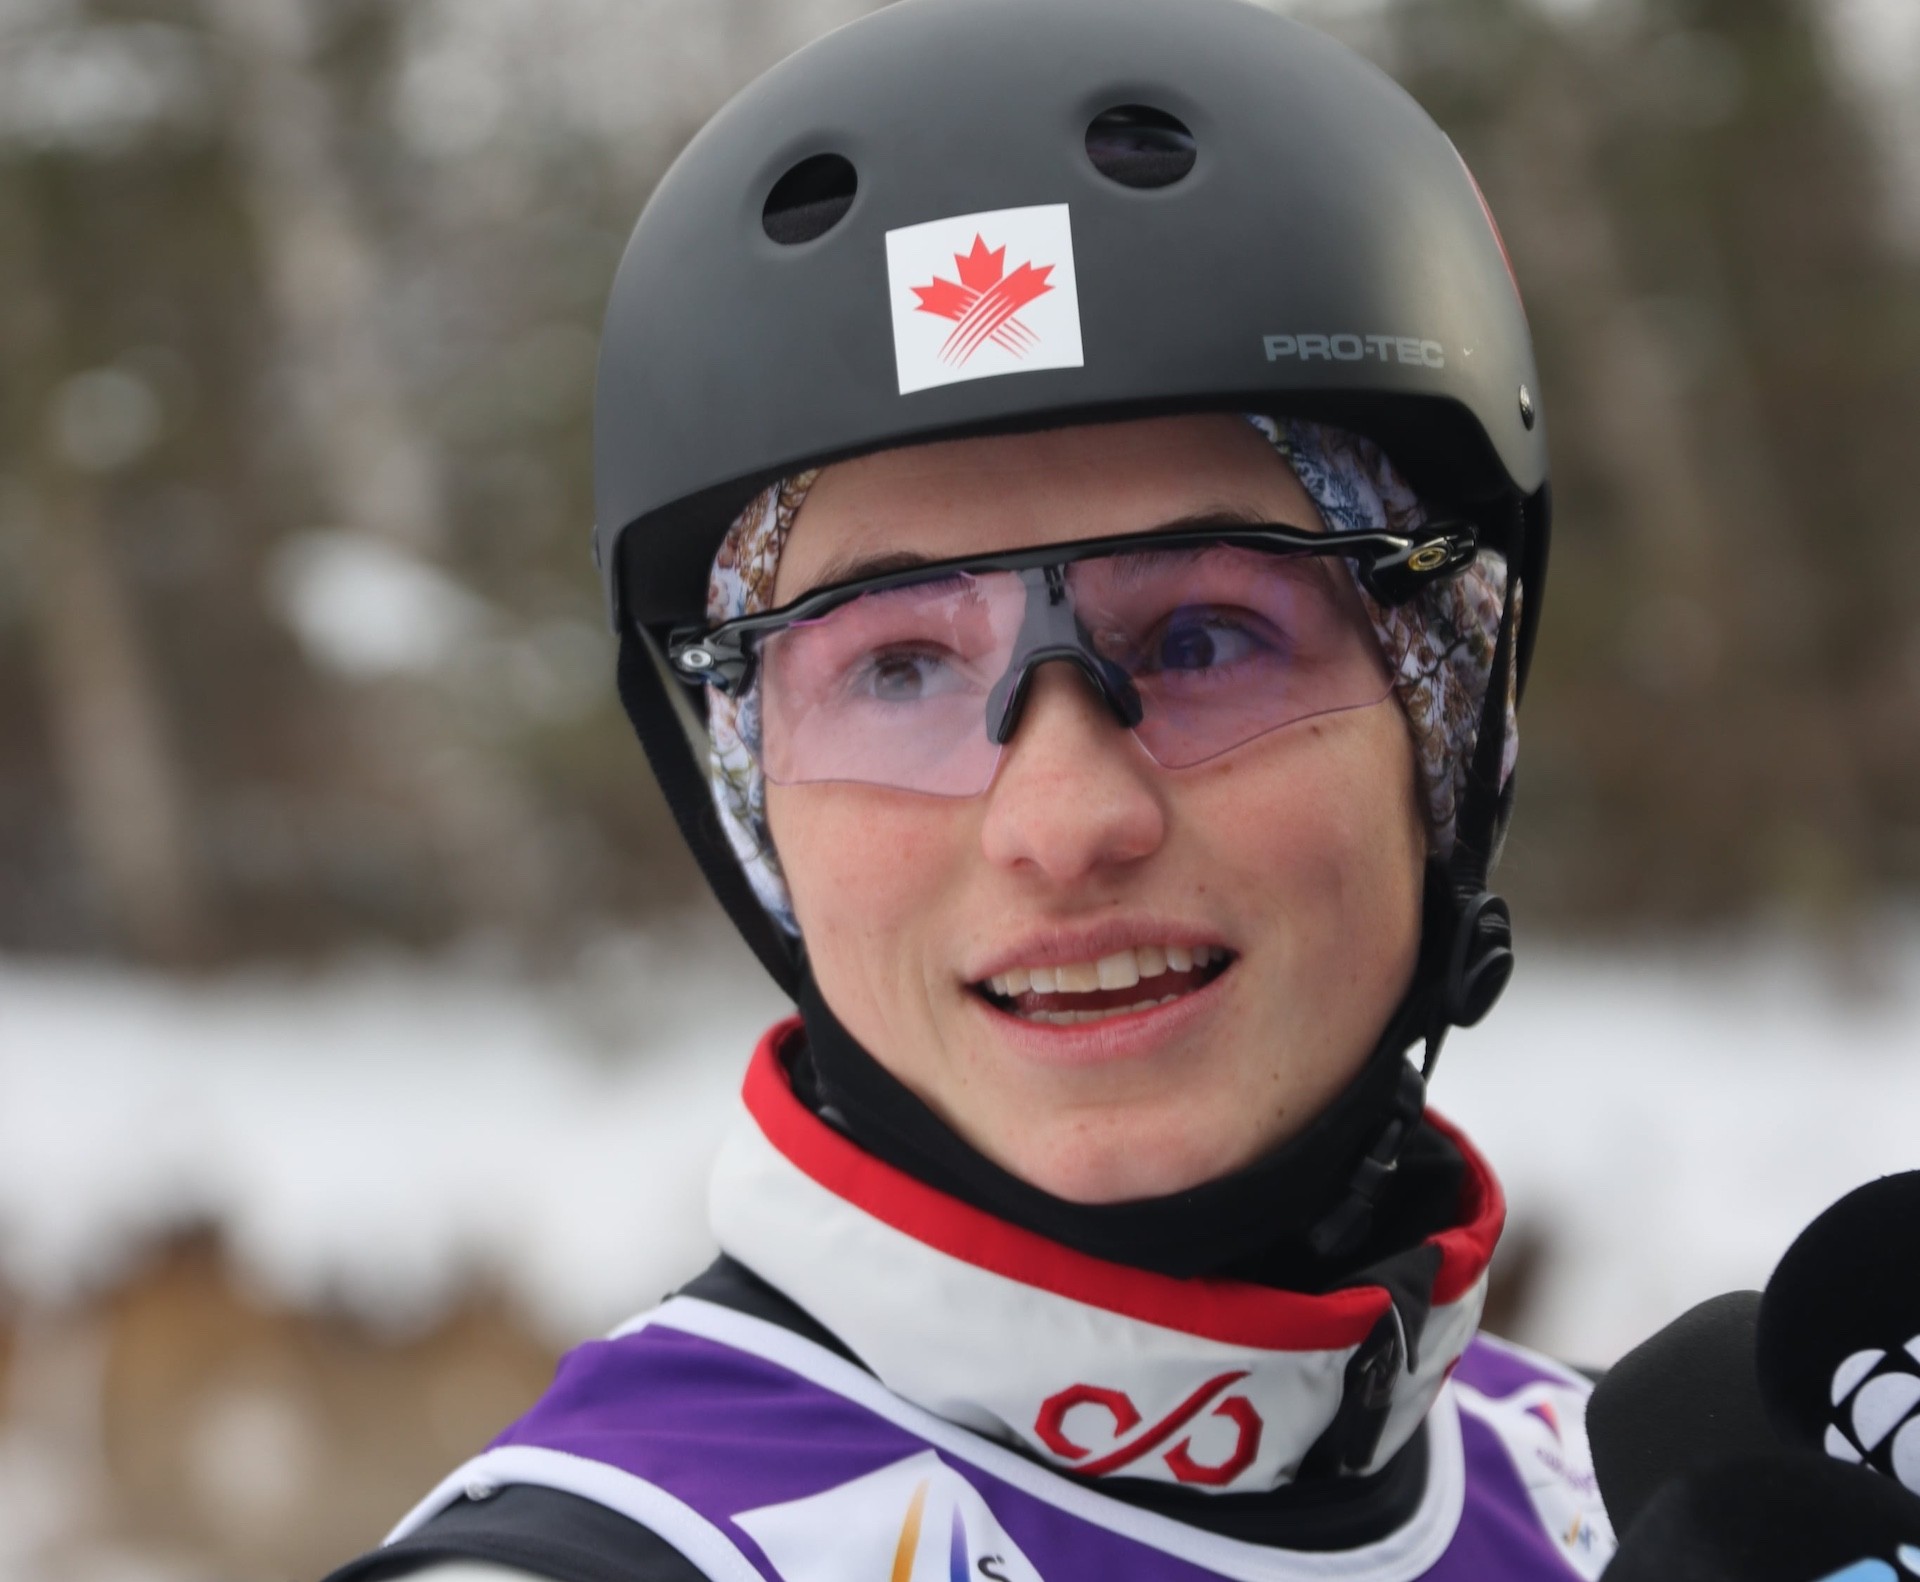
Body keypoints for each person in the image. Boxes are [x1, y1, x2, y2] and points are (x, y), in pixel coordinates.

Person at [327, 0, 1616, 1577]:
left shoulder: (1623, 1490)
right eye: (896, 670)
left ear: (1448, 730)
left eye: (1211, 633)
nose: (1063, 823)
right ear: (752, 806)